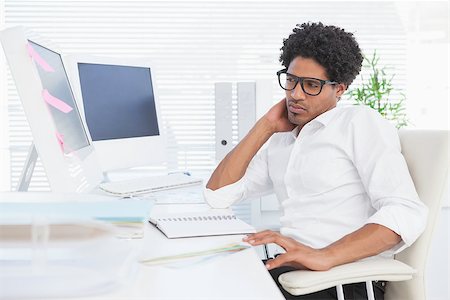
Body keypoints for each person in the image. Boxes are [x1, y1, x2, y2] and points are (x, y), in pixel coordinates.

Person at [204, 22, 428, 300]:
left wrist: (326, 256)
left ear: (339, 89)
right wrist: (264, 126)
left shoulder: (358, 123)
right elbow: (217, 195)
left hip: (342, 282)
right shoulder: (282, 138)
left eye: (311, 85)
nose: (295, 94)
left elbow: (406, 212)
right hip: (292, 274)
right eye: (291, 80)